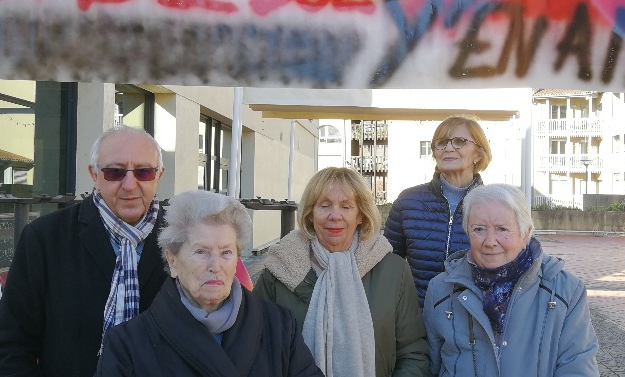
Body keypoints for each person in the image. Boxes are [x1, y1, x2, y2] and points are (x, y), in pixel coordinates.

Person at [0, 126, 170, 376]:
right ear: (94, 175)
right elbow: (10, 347)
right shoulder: (45, 238)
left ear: (158, 175)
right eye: (115, 172)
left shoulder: (186, 240)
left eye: (143, 171)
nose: (129, 185)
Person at [95, 190, 323, 376]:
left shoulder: (280, 326)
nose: (215, 265)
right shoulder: (128, 343)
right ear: (172, 260)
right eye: (201, 252)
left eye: (226, 252)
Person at [254, 167, 429, 377]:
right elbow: (257, 348)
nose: (335, 216)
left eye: (346, 207)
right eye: (324, 205)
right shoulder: (278, 270)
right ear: (310, 214)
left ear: (360, 216)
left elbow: (412, 352)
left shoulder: (393, 270)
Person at [423, 184, 599, 376]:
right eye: (479, 229)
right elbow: (429, 367)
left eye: (502, 229)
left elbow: (578, 368)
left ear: (525, 234)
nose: (490, 241)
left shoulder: (566, 291)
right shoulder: (441, 289)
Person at [384, 115, 492, 307]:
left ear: (478, 154)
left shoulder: (495, 205)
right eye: (441, 142)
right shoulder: (408, 201)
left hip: (474, 317)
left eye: (459, 141)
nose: (448, 148)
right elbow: (388, 266)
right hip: (418, 317)